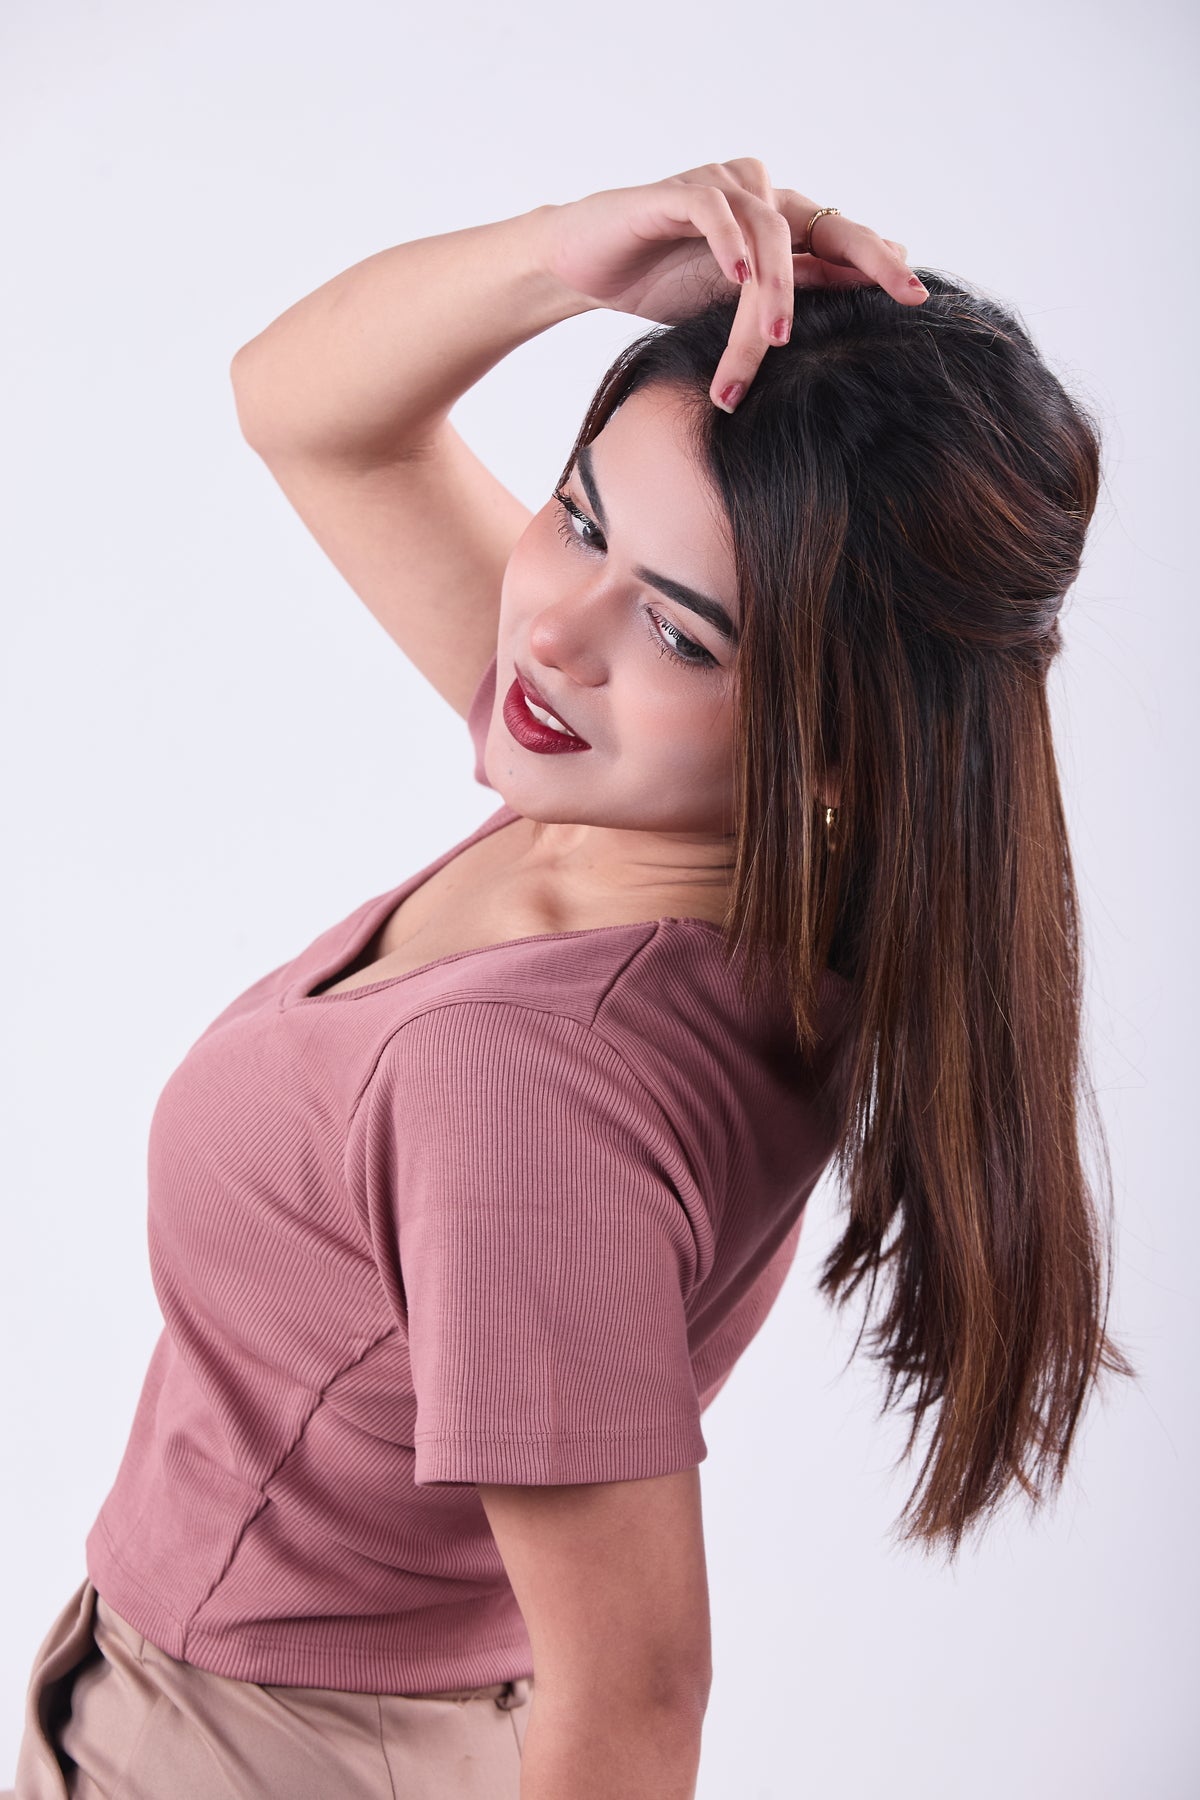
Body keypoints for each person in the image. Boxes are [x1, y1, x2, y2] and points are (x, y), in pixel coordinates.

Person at [5, 156, 1135, 1800]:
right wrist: (570, 260)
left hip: (252, 1755)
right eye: (581, 514)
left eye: (681, 632)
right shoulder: (680, 821)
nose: (550, 631)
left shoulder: (527, 1089)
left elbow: (638, 1705)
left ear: (837, 745)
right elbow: (305, 409)